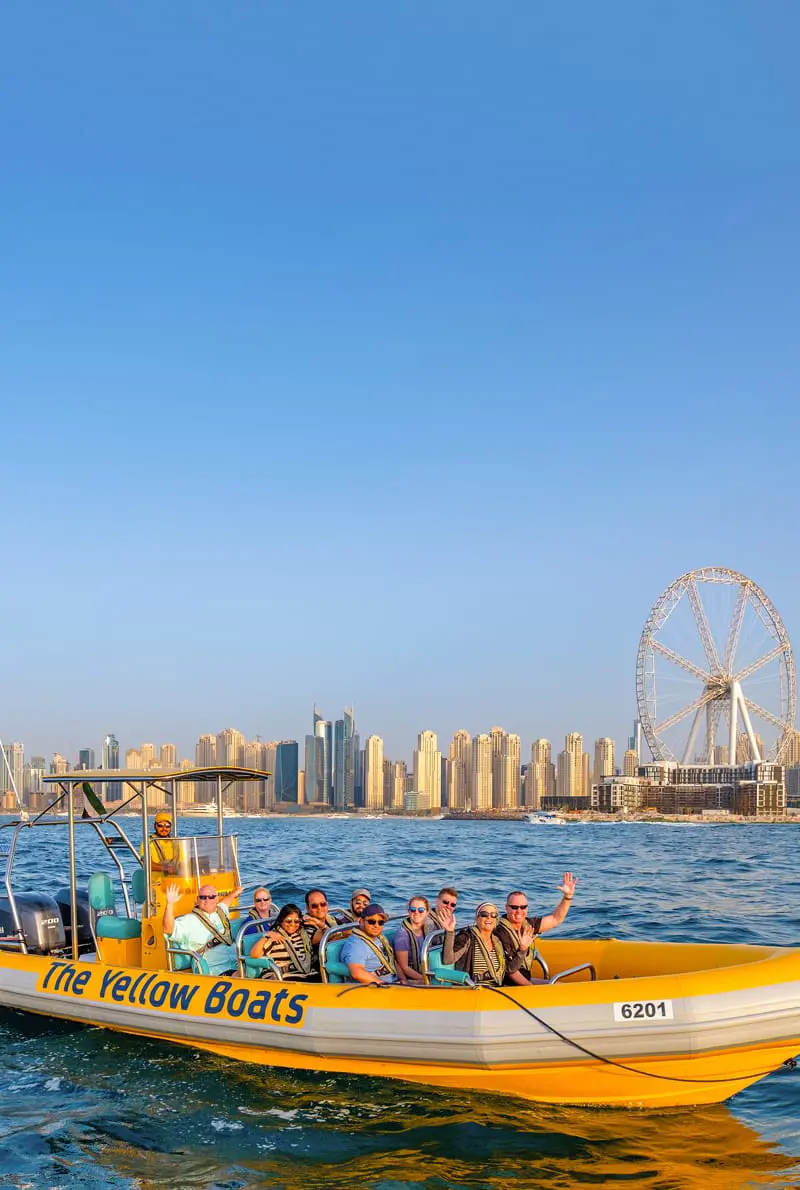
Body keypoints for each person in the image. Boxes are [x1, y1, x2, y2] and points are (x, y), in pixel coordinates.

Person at [495, 874, 578, 986]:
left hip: (526, 980)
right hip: (509, 986)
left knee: (560, 986)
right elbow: (510, 972)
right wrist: (531, 988)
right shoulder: (500, 932)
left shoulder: (529, 925)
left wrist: (567, 897)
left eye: (523, 907)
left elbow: (555, 919)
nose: (519, 911)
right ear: (507, 908)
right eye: (514, 907)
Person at [163, 881, 243, 976]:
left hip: (235, 961)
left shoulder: (220, 912)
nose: (207, 900)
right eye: (203, 897)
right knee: (242, 975)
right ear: (197, 900)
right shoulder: (188, 920)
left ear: (217, 899)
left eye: (211, 897)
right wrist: (169, 904)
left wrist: (235, 893)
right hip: (214, 967)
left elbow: (226, 902)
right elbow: (168, 929)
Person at [341, 903, 406, 985]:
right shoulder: (356, 945)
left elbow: (393, 962)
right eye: (372, 921)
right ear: (361, 922)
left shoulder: (380, 939)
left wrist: (404, 980)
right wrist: (386, 986)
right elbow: (357, 973)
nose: (376, 925)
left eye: (380, 922)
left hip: (394, 983)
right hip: (376, 989)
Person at [446, 902, 509, 986]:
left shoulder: (498, 941)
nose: (489, 917)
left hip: (495, 989)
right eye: (484, 914)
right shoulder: (466, 938)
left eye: (493, 915)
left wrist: (522, 950)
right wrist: (449, 932)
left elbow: (509, 969)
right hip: (473, 990)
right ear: (477, 918)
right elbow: (448, 960)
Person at [248, 902, 313, 980]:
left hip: (302, 972)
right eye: (288, 921)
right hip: (281, 975)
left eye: (296, 921)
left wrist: (320, 924)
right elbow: (254, 955)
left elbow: (324, 937)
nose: (292, 924)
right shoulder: (275, 936)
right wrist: (267, 935)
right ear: (281, 920)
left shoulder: (304, 935)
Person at [393, 896, 439, 983]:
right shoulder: (402, 935)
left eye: (421, 910)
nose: (416, 912)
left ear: (427, 912)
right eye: (413, 909)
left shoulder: (428, 929)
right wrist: (425, 979)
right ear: (409, 911)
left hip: (426, 971)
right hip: (412, 978)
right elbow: (404, 967)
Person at [143, 812, 181, 876]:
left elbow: (182, 862)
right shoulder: (148, 842)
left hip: (175, 881)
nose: (164, 829)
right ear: (155, 826)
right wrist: (166, 868)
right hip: (156, 883)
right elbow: (146, 863)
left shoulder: (176, 842)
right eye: (160, 825)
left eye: (167, 826)